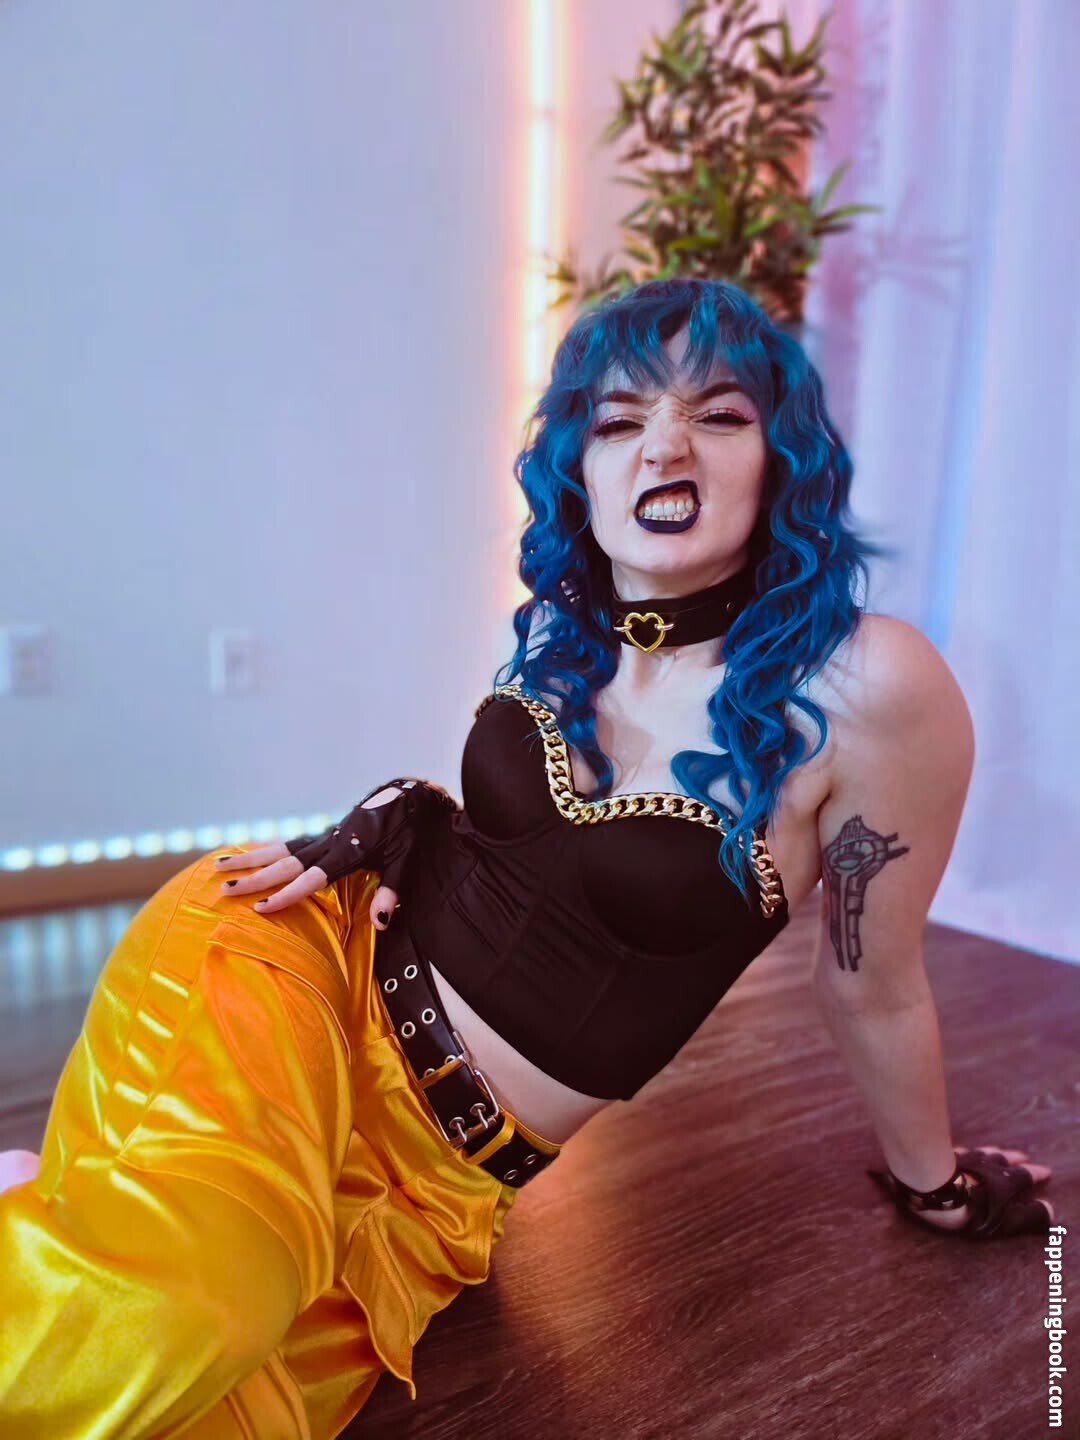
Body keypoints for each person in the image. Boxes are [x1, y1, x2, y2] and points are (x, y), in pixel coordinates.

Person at [0, 278, 1056, 1439]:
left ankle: (70, 1206)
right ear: (581, 470)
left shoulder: (868, 687)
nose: (664, 444)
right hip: (294, 980)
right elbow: (509, 846)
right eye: (618, 420)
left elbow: (874, 983)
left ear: (782, 461)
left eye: (718, 413)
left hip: (435, 1187)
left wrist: (933, 1183)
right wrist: (409, 810)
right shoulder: (567, 633)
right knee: (174, 1327)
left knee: (200, 1411)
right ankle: (120, 1215)